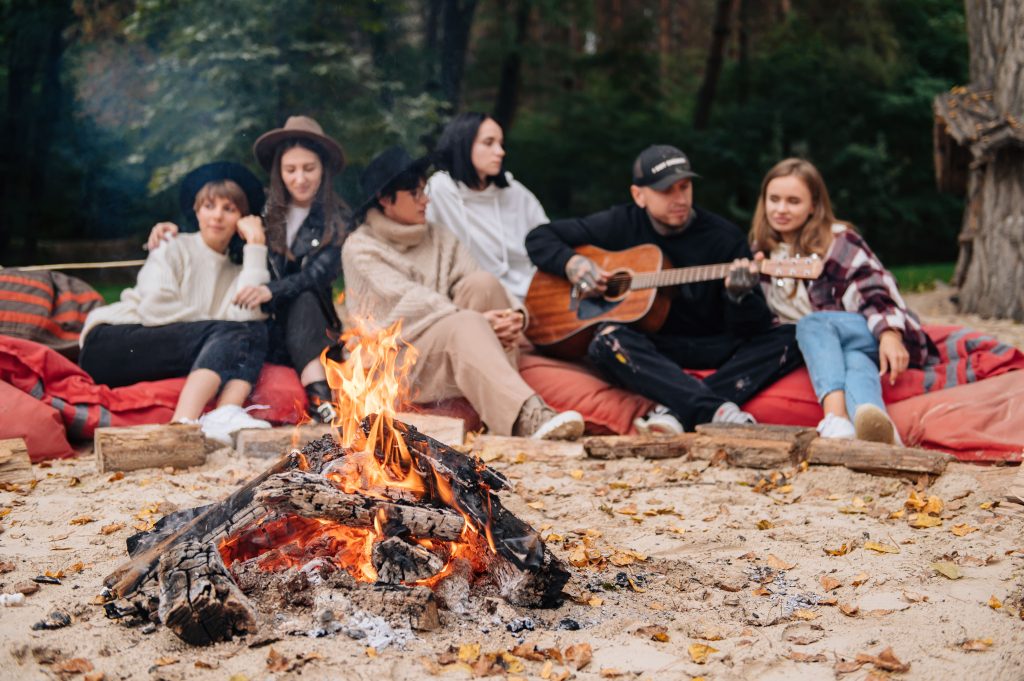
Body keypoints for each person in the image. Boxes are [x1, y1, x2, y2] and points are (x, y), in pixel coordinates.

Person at [525, 145, 803, 434]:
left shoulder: (724, 238)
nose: (680, 198)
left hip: (712, 345)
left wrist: (738, 296)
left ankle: (676, 411)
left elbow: (751, 328)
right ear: (639, 195)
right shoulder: (621, 222)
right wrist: (573, 264)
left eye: (685, 187)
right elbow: (540, 237)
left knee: (793, 334)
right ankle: (713, 410)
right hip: (651, 349)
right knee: (606, 341)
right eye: (666, 190)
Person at [343, 146, 585, 440]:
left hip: (450, 343)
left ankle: (500, 408)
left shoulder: (439, 236)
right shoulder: (360, 247)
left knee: (484, 283)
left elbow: (475, 278)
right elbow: (409, 302)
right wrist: (478, 321)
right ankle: (526, 416)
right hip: (398, 363)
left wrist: (514, 317)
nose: (426, 200)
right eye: (415, 194)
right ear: (385, 200)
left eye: (425, 191)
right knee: (465, 324)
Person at [148, 116, 346, 423]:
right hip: (265, 327)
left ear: (323, 170)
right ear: (279, 172)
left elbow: (315, 275)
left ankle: (321, 397)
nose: (300, 178)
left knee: (303, 296)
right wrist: (169, 229)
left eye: (309, 169)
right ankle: (224, 412)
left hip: (310, 327)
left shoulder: (338, 220)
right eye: (290, 170)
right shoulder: (263, 211)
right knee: (246, 321)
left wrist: (270, 290)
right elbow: (220, 228)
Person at [80, 162, 273, 444]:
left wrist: (256, 245)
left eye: (229, 209)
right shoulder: (173, 245)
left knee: (254, 330)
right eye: (209, 206)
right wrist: (214, 332)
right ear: (196, 211)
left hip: (166, 352)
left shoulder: (235, 272)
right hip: (113, 340)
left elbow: (248, 316)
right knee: (231, 330)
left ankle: (225, 412)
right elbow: (154, 306)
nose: (217, 216)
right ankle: (181, 425)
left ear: (242, 220)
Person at [750, 158, 937, 443]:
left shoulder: (838, 241)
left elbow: (874, 288)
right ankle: (878, 427)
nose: (781, 209)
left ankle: (835, 418)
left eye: (793, 201)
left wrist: (889, 333)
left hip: (870, 330)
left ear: (813, 205)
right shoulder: (760, 253)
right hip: (833, 349)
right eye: (773, 199)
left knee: (813, 324)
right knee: (855, 362)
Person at [425, 112, 548, 302]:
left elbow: (547, 238)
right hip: (478, 296)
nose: (500, 152)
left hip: (532, 291)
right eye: (489, 142)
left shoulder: (514, 191)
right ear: (463, 145)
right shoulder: (441, 191)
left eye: (501, 143)